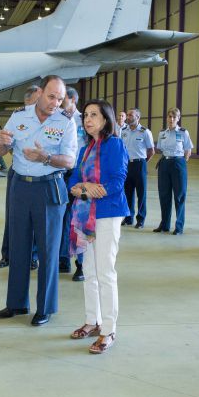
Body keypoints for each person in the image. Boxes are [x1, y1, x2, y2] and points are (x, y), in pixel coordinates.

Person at [0, 75, 78, 326]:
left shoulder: (66, 123)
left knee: (48, 250)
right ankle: (16, 304)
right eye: (51, 96)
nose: (55, 103)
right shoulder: (19, 116)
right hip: (20, 187)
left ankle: (45, 308)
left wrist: (46, 158)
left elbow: (70, 161)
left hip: (49, 188)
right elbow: (2, 151)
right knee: (18, 246)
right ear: (40, 92)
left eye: (60, 99)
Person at [67, 99, 128, 354]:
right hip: (85, 217)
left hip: (107, 214)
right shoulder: (85, 149)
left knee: (105, 273)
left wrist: (91, 190)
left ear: (106, 119)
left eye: (94, 115)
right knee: (89, 271)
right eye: (86, 115)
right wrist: (83, 188)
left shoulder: (115, 145)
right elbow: (72, 180)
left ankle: (109, 330)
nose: (88, 119)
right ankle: (93, 321)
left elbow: (118, 180)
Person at [0, 85, 40, 271]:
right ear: (27, 101)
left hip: (42, 175)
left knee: (37, 219)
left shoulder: (52, 119)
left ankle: (33, 256)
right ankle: (8, 254)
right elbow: (1, 148)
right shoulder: (18, 117)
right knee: (13, 216)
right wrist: (0, 141)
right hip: (18, 172)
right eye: (37, 100)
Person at [59, 86, 86, 281]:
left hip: (79, 173)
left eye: (63, 100)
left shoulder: (84, 120)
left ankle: (82, 264)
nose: (60, 103)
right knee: (62, 217)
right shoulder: (58, 119)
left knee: (80, 219)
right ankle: (63, 258)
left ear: (73, 100)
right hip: (61, 173)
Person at [154, 107, 193, 235]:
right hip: (165, 163)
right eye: (169, 117)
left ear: (178, 119)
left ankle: (179, 226)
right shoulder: (162, 133)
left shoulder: (183, 132)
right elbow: (159, 148)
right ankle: (164, 224)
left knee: (179, 196)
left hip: (178, 163)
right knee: (164, 195)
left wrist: (182, 162)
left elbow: (188, 149)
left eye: (174, 117)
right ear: (166, 118)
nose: (171, 119)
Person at [121, 108, 155, 228]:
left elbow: (151, 150)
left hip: (139, 164)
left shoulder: (145, 132)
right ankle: (128, 218)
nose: (128, 117)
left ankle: (140, 219)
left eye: (131, 115)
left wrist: (143, 162)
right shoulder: (123, 131)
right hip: (126, 165)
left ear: (138, 117)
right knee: (128, 192)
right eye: (128, 115)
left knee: (141, 193)